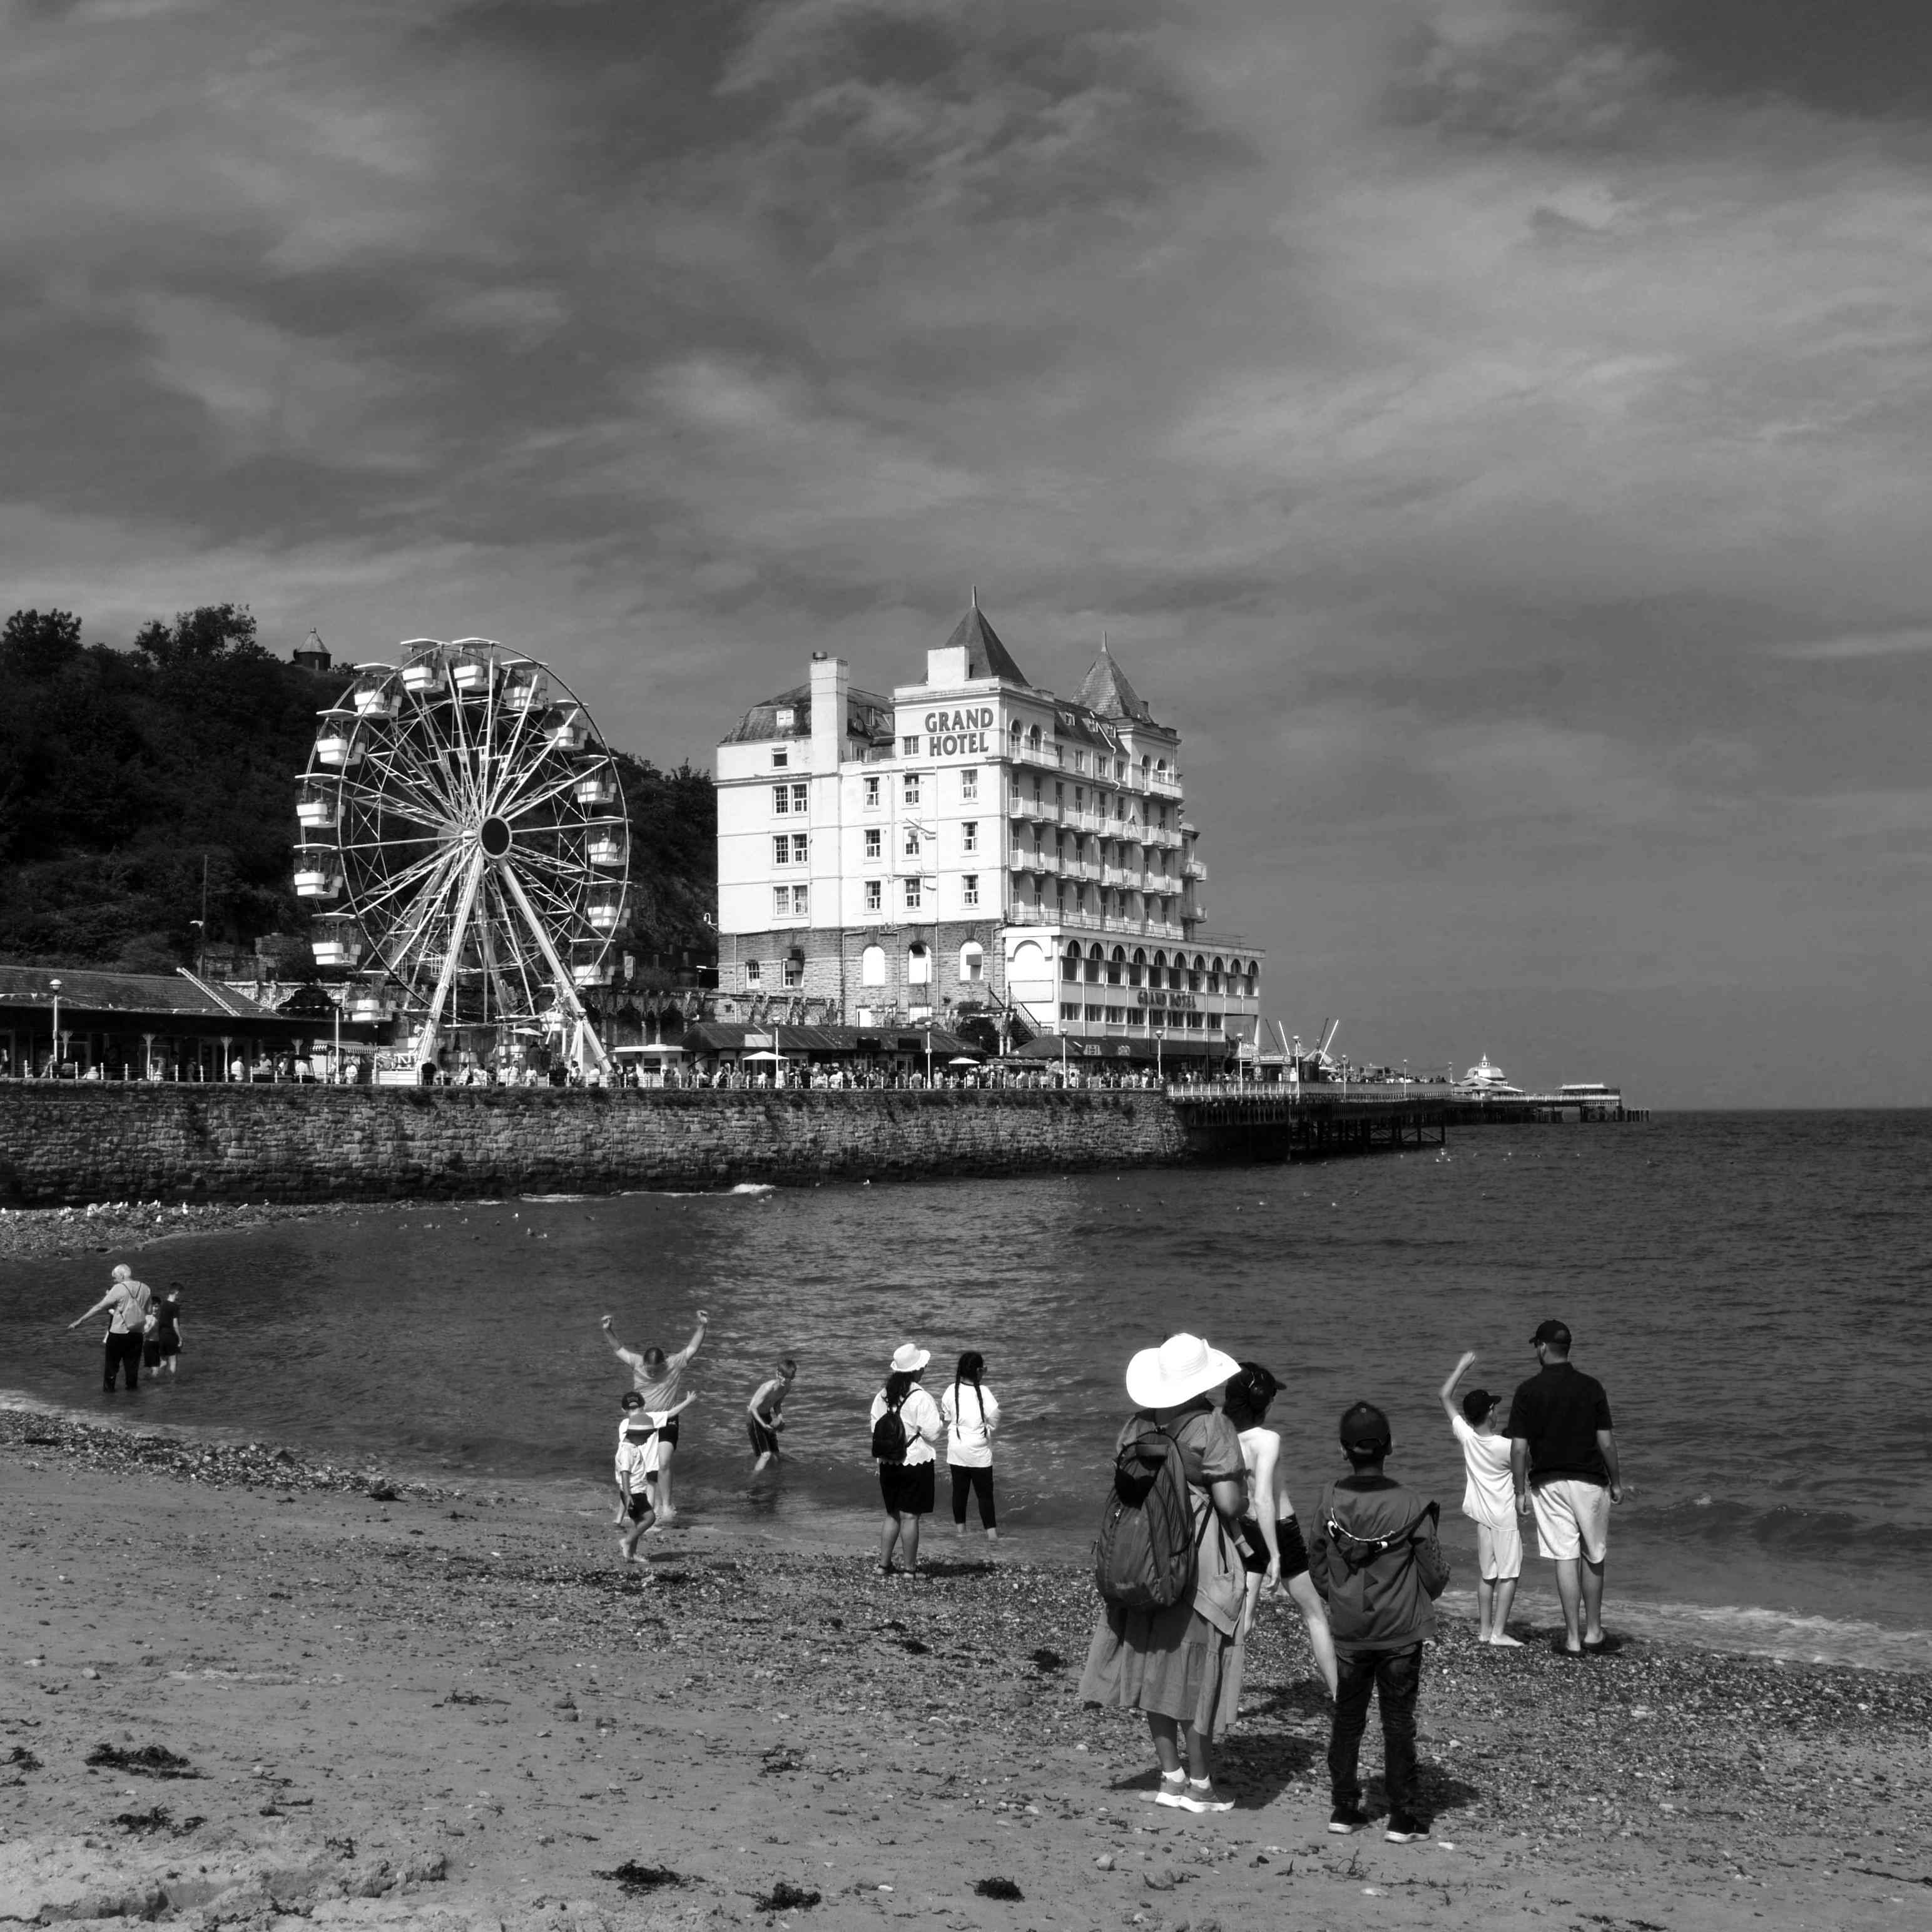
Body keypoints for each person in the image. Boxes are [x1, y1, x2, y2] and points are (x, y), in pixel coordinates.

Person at [1077, 1333, 1248, 1815]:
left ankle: (1170, 1777)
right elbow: (1229, 1503)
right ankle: (1200, 1786)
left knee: (1156, 1667)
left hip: (1145, 1559)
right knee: (1195, 1673)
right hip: (1195, 1563)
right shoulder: (1212, 1427)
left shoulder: (1136, 1427)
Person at [1309, 1400, 1448, 1844]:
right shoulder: (1411, 1503)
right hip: (1401, 1631)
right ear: (1390, 1446)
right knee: (1398, 1721)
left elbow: (1316, 1563)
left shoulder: (1330, 1499)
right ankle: (1402, 1816)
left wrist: (1340, 1596)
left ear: (1343, 1451)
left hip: (1351, 1629)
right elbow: (1433, 1574)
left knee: (1348, 1717)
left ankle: (1345, 1807)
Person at [1223, 1362, 1339, 1697]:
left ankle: (1225, 1697)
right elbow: (1264, 1499)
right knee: (1314, 1614)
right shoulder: (1268, 1439)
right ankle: (1339, 1695)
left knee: (1243, 1615)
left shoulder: (1226, 1437)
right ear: (1263, 1402)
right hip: (1278, 1532)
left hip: (1244, 1530)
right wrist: (1275, 1553)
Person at [1509, 1319, 1620, 1656]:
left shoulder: (1528, 1391)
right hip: (1589, 1480)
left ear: (1542, 1347)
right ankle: (1594, 1633)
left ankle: (1572, 1638)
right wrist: (1616, 1481)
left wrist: (1518, 1492)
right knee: (1594, 1554)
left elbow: (1518, 1448)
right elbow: (1605, 1442)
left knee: (1565, 1556)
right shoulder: (1592, 1387)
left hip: (1548, 1482)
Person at [1438, 1351, 1521, 1645]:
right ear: (1490, 1414)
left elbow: (1444, 1396)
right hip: (1504, 1517)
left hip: (1482, 1518)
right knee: (1509, 1575)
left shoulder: (1468, 1438)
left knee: (1488, 1575)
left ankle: (1485, 1630)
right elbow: (1527, 1464)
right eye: (1495, 1408)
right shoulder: (1506, 1446)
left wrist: (1461, 1366)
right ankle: (1499, 1633)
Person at [601, 1307, 709, 1524]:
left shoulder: (673, 1364)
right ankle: (644, 1504)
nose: (651, 1372)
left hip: (668, 1419)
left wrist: (703, 1326)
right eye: (649, 1369)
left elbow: (692, 1348)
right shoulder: (637, 1363)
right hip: (643, 1424)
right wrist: (608, 1330)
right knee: (642, 1467)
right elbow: (619, 1350)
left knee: (665, 1462)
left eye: (655, 1369)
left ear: (663, 1363)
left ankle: (666, 1506)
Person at [870, 1343, 943, 1576]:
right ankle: (910, 1570)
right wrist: (940, 1421)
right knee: (910, 1516)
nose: (925, 1370)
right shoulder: (921, 1397)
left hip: (888, 1461)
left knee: (893, 1514)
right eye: (923, 1367)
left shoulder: (881, 1396)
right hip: (915, 1461)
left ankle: (884, 1565)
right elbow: (933, 1433)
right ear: (916, 1370)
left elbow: (875, 1428)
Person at [615, 1390, 693, 1569]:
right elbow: (625, 1473)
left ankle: (631, 1553)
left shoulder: (628, 1434)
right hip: (634, 1491)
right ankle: (627, 1542)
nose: (647, 1440)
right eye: (645, 1437)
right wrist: (627, 1495)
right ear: (634, 1434)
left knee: (638, 1522)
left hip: (633, 1489)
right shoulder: (628, 1451)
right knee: (649, 1518)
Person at [940, 1350, 1000, 1542]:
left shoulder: (952, 1389)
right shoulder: (984, 1392)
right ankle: (992, 1536)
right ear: (978, 1371)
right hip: (979, 1452)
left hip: (957, 1449)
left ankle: (961, 1532)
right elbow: (996, 1417)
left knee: (960, 1492)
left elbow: (947, 1416)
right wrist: (988, 1428)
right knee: (984, 1495)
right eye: (983, 1370)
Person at [68, 1264, 153, 1391]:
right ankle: (133, 1401)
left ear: (122, 1275)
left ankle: (109, 1398)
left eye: (115, 1277)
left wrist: (80, 1321)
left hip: (118, 1334)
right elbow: (150, 1310)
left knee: (111, 1368)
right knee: (132, 1370)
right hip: (137, 1334)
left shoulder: (119, 1288)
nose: (114, 1280)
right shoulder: (146, 1288)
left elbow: (99, 1307)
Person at [746, 1358, 797, 1472]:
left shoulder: (787, 1387)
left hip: (766, 1415)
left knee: (776, 1455)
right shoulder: (769, 1388)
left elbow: (777, 1405)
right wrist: (763, 1425)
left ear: (792, 1378)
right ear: (777, 1373)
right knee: (766, 1455)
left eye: (788, 1378)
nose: (784, 1380)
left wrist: (780, 1418)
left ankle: (774, 1479)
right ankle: (752, 1481)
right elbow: (753, 1408)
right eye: (782, 1376)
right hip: (754, 1417)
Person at [143, 1285, 185, 1379]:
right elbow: (144, 1334)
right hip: (151, 1344)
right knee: (158, 1369)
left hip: (160, 1342)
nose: (156, 1309)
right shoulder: (147, 1318)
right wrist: (151, 1326)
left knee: (162, 1364)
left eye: (157, 1307)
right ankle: (160, 1382)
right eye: (153, 1307)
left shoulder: (161, 1313)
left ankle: (159, 1382)